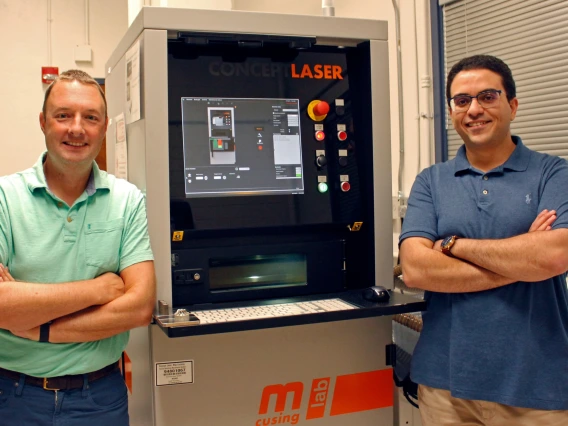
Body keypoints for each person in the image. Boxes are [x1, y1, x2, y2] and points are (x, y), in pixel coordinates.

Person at [399, 55, 568, 425]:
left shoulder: (554, 172)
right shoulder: (431, 181)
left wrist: (451, 245)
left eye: (488, 96)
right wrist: (523, 259)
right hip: (445, 387)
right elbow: (414, 269)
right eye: (462, 101)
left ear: (512, 105)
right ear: (452, 111)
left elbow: (555, 255)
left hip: (537, 387)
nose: (474, 109)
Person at [0, 70, 156, 425]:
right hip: (14, 396)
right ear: (43, 122)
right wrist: (99, 289)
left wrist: (38, 327)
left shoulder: (126, 200)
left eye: (90, 117)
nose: (76, 128)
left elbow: (139, 307)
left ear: (103, 128)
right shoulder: (5, 199)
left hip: (99, 397)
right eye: (63, 115)